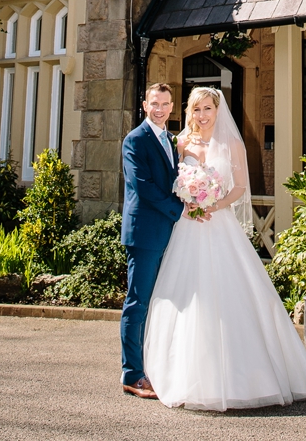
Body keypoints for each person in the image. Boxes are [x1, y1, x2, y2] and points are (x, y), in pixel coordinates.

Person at [143, 86, 306, 411]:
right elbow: (169, 182)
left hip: (219, 224)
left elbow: (239, 188)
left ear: (217, 111)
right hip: (188, 228)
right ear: (190, 112)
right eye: (197, 110)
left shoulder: (232, 143)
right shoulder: (180, 143)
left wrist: (214, 204)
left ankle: (247, 376)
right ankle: (180, 373)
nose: (203, 115)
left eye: (208, 109)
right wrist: (188, 200)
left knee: (232, 295)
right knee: (187, 296)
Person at [119, 82, 184, 398]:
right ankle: (132, 374)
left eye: (165, 104)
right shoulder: (135, 140)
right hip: (144, 233)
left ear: (172, 107)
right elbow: (142, 186)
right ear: (145, 105)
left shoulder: (171, 141)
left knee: (163, 301)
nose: (160, 109)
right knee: (138, 302)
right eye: (154, 103)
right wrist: (179, 209)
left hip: (169, 233)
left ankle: (154, 367)